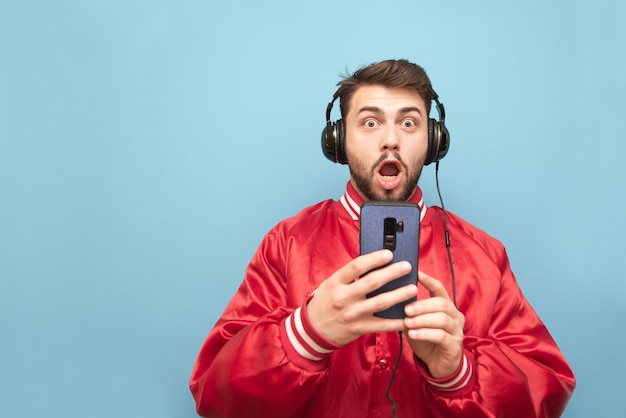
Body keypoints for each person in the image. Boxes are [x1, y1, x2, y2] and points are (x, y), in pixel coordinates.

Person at [189, 59, 575, 417]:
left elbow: (549, 388)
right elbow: (214, 395)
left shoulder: (484, 254)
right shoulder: (287, 242)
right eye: (370, 123)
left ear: (434, 141)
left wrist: (457, 373)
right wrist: (305, 335)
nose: (390, 140)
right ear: (338, 141)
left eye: (408, 123)